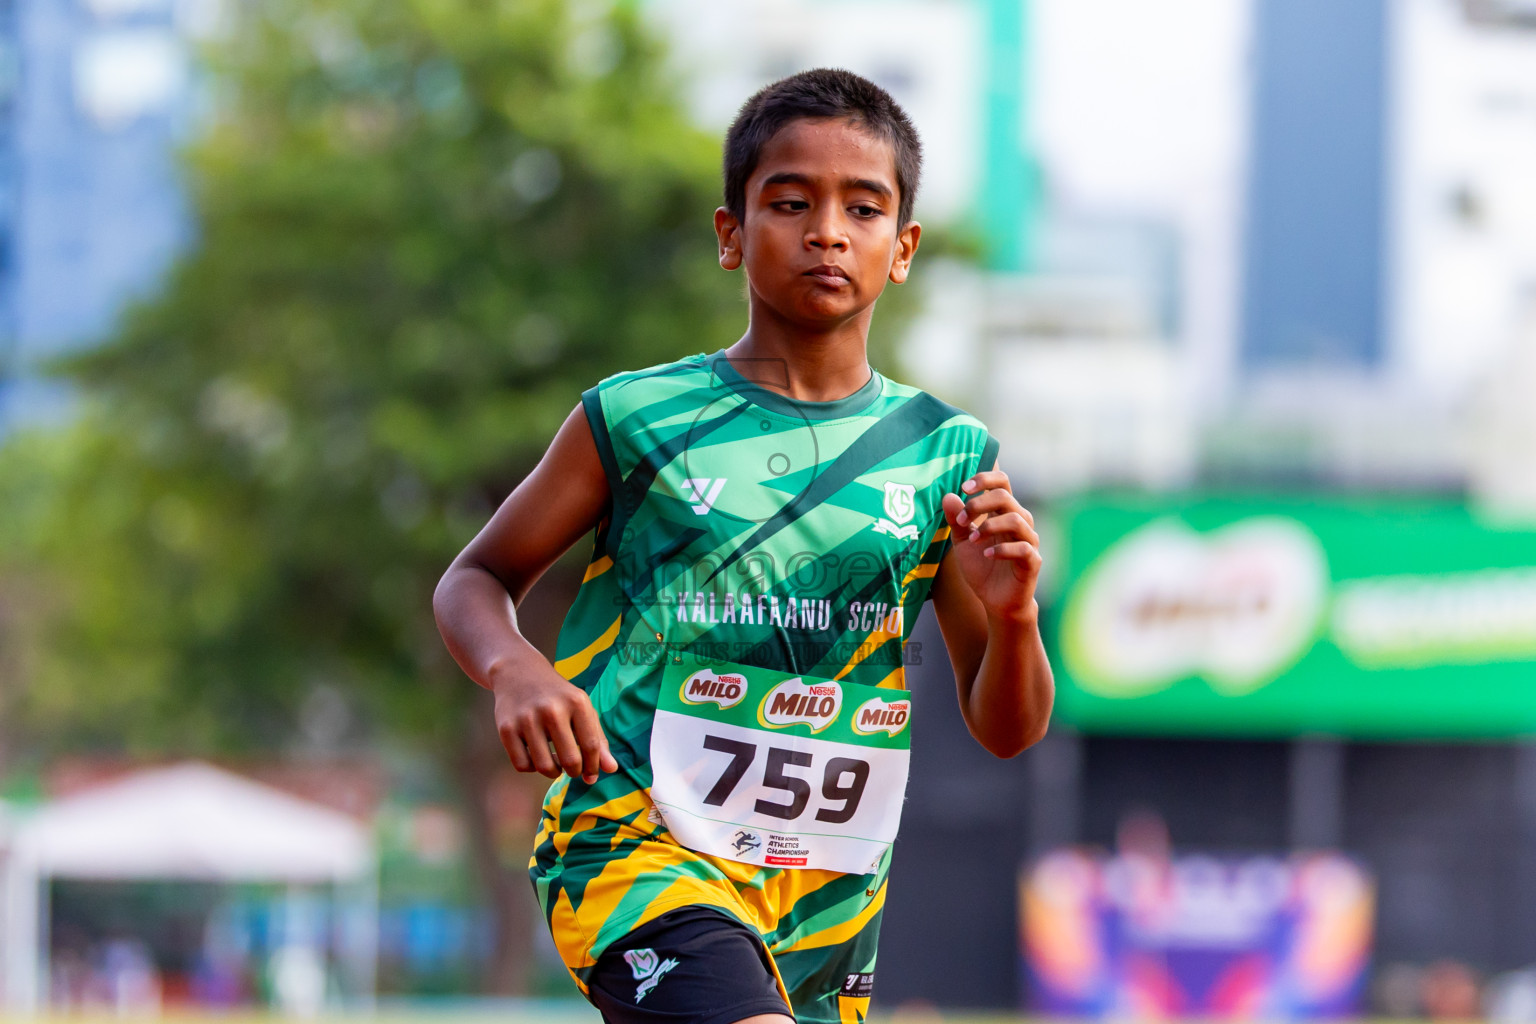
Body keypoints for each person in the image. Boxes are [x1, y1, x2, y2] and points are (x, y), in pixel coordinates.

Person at [434, 68, 1054, 1024]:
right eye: (791, 202)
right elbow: (475, 577)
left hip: (822, 897)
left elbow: (1006, 728)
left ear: (903, 249)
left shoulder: (947, 457)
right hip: (633, 847)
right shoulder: (637, 416)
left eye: (865, 207)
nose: (828, 231)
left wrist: (1013, 616)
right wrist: (515, 669)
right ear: (732, 235)